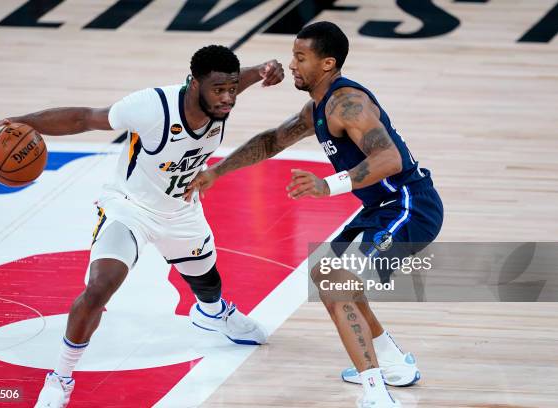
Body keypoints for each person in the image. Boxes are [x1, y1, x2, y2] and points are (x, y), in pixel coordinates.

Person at [0, 45, 285, 408]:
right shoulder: (151, 107)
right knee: (100, 287)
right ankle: (60, 378)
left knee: (207, 282)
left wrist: (264, 69)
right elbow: (85, 118)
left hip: (181, 209)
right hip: (130, 209)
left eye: (232, 89)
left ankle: (213, 314)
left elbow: (241, 78)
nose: (228, 98)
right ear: (194, 83)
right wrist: (20, 121)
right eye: (219, 89)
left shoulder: (221, 96)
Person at [185, 22, 443, 408]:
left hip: (409, 205)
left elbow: (388, 159)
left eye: (300, 57)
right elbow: (273, 139)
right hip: (380, 208)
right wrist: (218, 171)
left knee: (338, 281)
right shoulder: (319, 106)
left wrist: (327, 185)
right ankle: (392, 364)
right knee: (327, 276)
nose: (292, 64)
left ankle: (376, 395)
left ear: (327, 64)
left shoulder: (347, 103)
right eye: (293, 55)